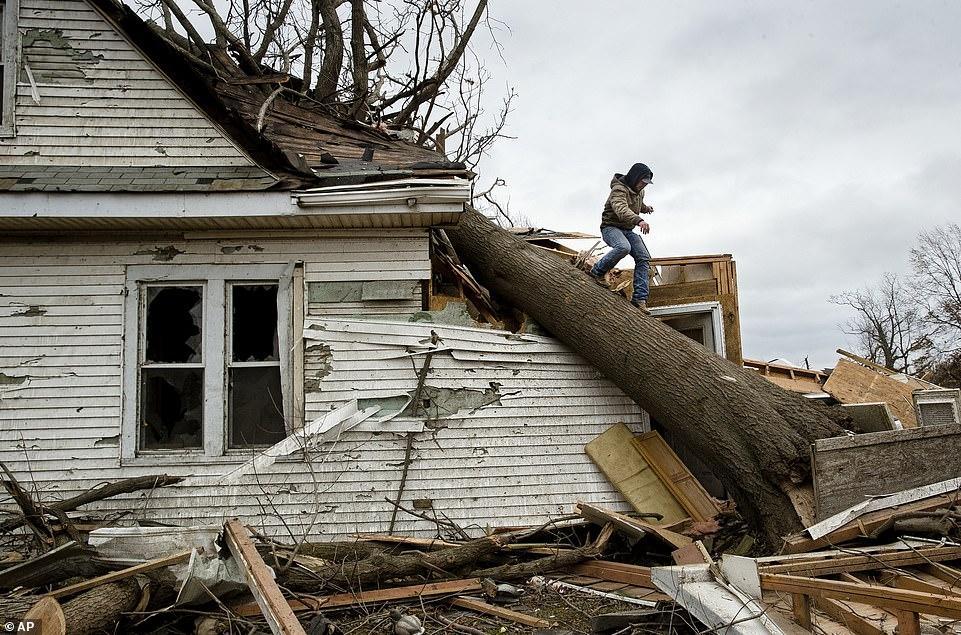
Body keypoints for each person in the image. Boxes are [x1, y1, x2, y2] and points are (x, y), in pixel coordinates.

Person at [589, 162, 655, 313]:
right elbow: (621, 208)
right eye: (642, 182)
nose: (643, 186)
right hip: (610, 228)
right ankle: (597, 271)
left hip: (627, 229)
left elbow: (638, 204)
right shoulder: (618, 190)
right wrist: (639, 220)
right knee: (624, 247)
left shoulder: (640, 191)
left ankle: (639, 299)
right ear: (635, 178)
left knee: (643, 257)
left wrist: (646, 209)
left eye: (646, 184)